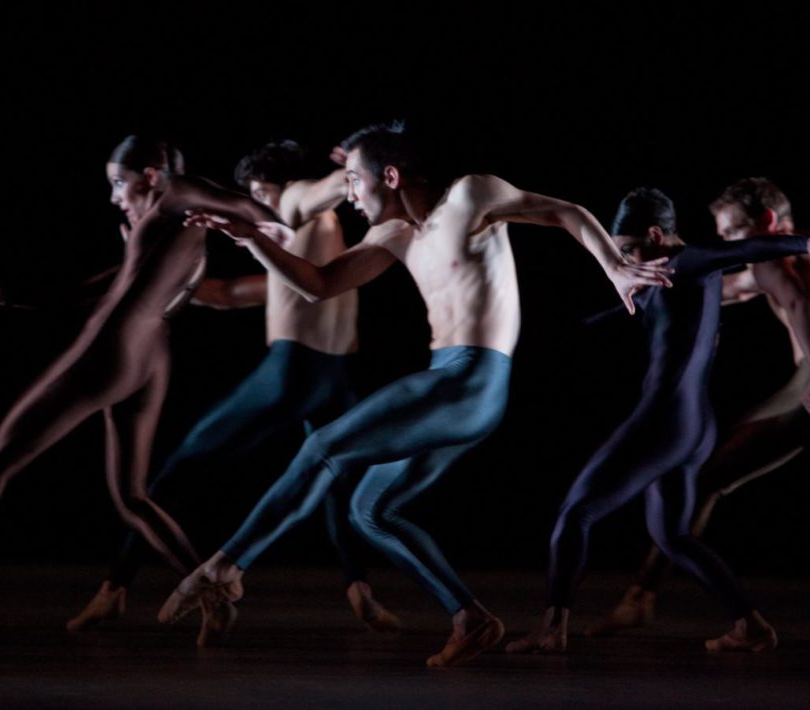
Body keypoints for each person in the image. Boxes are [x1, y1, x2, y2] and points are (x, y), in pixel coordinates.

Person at [158, 121, 673, 667]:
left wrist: (614, 266)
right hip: (449, 389)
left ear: (393, 175)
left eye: (354, 179)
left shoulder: (471, 196)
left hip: (469, 381)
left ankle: (226, 569)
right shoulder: (395, 235)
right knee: (368, 509)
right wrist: (254, 240)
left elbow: (564, 211)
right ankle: (471, 618)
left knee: (321, 448)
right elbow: (317, 284)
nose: (349, 192)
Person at [0, 135, 274, 631]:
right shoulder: (174, 229)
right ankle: (207, 588)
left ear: (151, 174)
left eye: (119, 183)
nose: (113, 196)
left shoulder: (176, 196)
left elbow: (234, 201)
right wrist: (11, 297)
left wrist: (268, 224)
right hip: (152, 359)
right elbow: (115, 281)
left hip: (112, 351)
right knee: (131, 497)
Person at [66, 141, 399, 641]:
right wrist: (155, 270)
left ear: (277, 189)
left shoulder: (293, 203)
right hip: (335, 381)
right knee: (334, 485)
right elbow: (226, 294)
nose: (255, 204)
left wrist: (352, 161)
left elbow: (319, 193)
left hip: (291, 375)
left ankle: (115, 588)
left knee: (181, 467)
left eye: (258, 193)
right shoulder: (311, 251)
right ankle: (360, 590)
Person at [590, 178, 810, 645]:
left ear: (767, 222)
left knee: (705, 477)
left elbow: (793, 299)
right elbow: (728, 286)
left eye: (731, 233)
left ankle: (640, 598)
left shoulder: (774, 254)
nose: (728, 243)